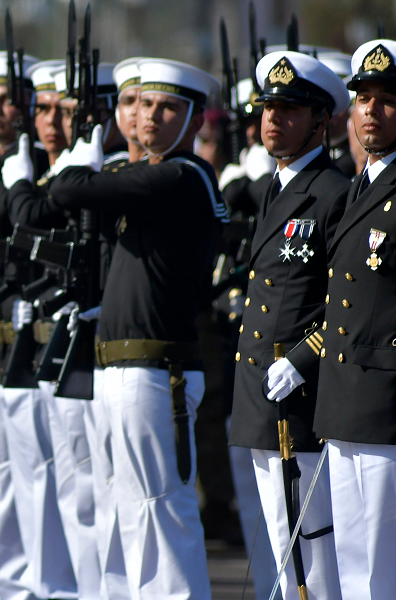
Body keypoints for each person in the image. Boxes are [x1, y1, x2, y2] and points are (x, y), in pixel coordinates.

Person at [41, 58, 227, 599]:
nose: (150, 117)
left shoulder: (180, 176)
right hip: (122, 367)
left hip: (155, 372)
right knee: (124, 513)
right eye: (144, 104)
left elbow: (68, 192)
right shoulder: (146, 180)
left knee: (159, 512)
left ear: (194, 123)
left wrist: (78, 166)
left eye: (169, 108)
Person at [228, 50, 350, 600]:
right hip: (262, 398)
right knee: (284, 543)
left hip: (298, 404)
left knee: (311, 550)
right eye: (268, 108)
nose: (273, 120)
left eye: (291, 110)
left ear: (321, 121)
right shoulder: (277, 188)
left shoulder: (332, 192)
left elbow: (349, 300)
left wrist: (303, 360)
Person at [316, 38, 396, 600]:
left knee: (379, 570)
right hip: (344, 401)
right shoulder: (360, 187)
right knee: (353, 565)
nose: (371, 109)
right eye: (363, 97)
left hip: (385, 404)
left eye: (388, 98)